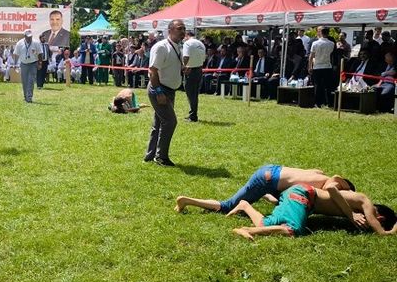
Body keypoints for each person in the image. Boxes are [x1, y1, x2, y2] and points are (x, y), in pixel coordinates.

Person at [229, 182, 397, 240]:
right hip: (303, 195)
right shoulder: (365, 201)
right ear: (380, 217)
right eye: (376, 221)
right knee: (293, 231)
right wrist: (351, 214)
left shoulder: (359, 203)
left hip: (300, 196)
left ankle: (244, 205)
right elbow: (331, 188)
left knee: (265, 223)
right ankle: (246, 230)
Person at [174, 165, 354, 214]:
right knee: (228, 206)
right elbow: (332, 187)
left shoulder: (319, 175)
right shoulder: (333, 183)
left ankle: (264, 194)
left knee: (277, 200)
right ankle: (186, 201)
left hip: (271, 171)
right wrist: (350, 213)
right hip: (267, 179)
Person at [144, 19, 186, 167]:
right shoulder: (162, 47)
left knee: (159, 123)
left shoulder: (177, 47)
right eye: (179, 28)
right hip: (159, 89)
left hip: (169, 90)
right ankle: (161, 157)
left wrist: (182, 69)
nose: (183, 31)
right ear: (170, 30)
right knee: (170, 121)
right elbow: (152, 71)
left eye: (184, 29)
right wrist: (159, 92)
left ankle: (150, 155)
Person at [182, 30, 206, 122]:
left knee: (191, 94)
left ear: (187, 35)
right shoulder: (201, 44)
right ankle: (193, 113)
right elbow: (204, 58)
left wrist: (184, 66)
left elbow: (186, 57)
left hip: (190, 70)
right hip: (199, 69)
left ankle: (193, 115)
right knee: (194, 94)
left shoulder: (187, 43)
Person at [12, 29, 42, 103]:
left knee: (31, 80)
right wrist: (15, 64)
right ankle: (25, 96)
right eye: (28, 37)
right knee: (24, 81)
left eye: (30, 37)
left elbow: (40, 53)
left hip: (33, 64)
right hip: (23, 64)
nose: (29, 38)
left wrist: (40, 63)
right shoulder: (19, 43)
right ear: (24, 36)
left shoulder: (36, 43)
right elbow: (16, 54)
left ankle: (29, 97)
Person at [309, 26, 335, 108]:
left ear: (321, 33)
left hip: (317, 66)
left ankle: (317, 103)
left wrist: (310, 66)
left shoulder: (315, 43)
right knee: (328, 86)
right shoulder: (332, 44)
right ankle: (329, 103)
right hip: (327, 66)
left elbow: (311, 56)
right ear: (328, 33)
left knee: (318, 85)